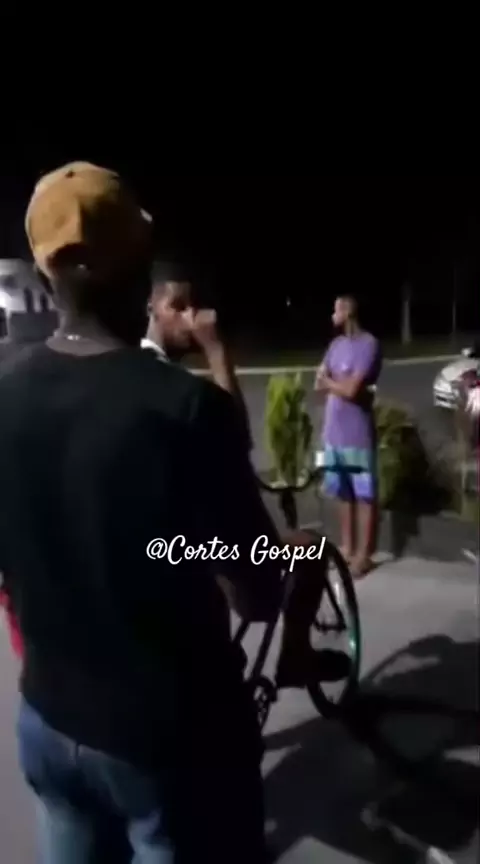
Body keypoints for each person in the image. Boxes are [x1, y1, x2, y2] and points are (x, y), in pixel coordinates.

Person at [0, 162, 343, 863]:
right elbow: (257, 592)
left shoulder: (5, 389)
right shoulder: (182, 408)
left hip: (47, 718)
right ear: (138, 272)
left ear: (46, 272)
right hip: (164, 741)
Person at [143, 260, 252, 447]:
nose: (190, 315)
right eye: (178, 306)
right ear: (151, 308)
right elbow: (236, 439)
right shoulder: (154, 379)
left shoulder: (180, 378)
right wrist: (215, 351)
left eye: (193, 306)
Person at [315, 295, 381, 579]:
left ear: (348, 312)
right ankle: (347, 548)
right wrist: (338, 384)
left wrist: (333, 383)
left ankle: (364, 556)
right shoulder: (335, 345)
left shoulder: (369, 344)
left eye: (336, 309)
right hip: (334, 431)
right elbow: (319, 382)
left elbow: (352, 390)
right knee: (343, 492)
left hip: (357, 432)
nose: (332, 315)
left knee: (364, 494)